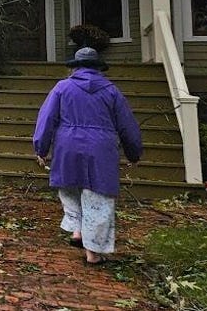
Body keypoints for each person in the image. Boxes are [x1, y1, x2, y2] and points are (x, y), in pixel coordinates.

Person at [33, 46, 142, 264]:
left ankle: (77, 232)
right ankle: (92, 253)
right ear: (98, 69)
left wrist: (41, 148)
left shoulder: (62, 88)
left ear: (76, 67)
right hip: (101, 151)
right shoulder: (112, 91)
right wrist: (134, 153)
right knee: (97, 199)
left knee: (71, 191)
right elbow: (128, 126)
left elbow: (46, 119)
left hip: (68, 148)